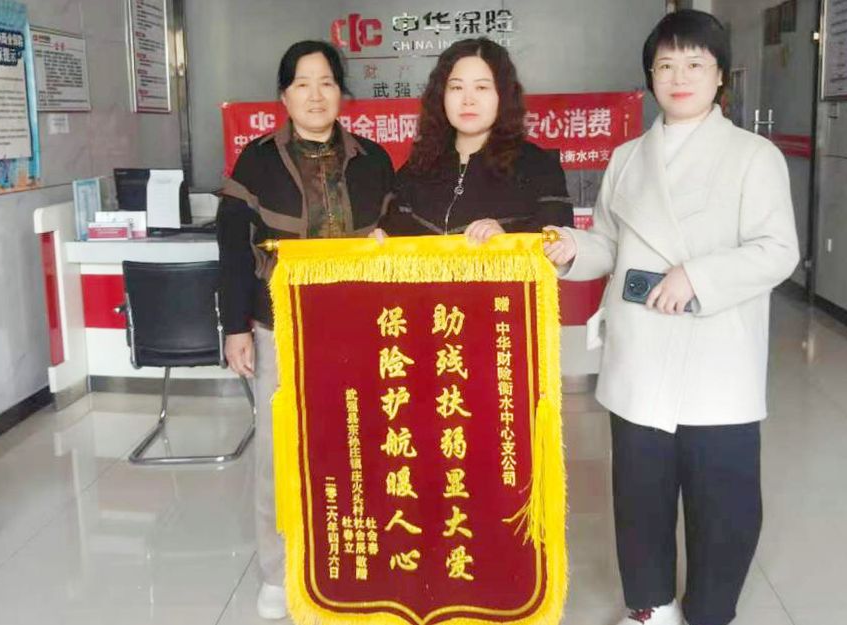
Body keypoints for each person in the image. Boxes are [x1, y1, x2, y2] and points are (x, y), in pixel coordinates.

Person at [542, 10, 800, 625]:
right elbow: (610, 243)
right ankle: (650, 607)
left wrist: (698, 277)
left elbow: (777, 251)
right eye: (665, 65)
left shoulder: (754, 156)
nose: (679, 77)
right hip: (642, 349)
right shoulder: (628, 157)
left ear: (720, 76)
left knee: (723, 503)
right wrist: (573, 250)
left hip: (717, 352)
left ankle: (710, 611)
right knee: (640, 496)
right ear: (650, 77)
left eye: (694, 64)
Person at [216, 40, 394, 620]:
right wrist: (235, 327)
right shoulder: (256, 161)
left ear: (341, 93)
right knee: (279, 451)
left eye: (326, 82)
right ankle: (278, 570)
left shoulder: (373, 160)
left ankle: (356, 555)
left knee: (359, 442)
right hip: (281, 327)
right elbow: (232, 249)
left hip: (360, 326)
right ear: (284, 96)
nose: (315, 95)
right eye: (302, 83)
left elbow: (400, 236)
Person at [376, 37, 572, 241]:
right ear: (441, 96)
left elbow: (558, 243)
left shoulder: (539, 168)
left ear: (503, 95)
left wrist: (509, 241)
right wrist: (381, 241)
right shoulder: (416, 168)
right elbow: (393, 235)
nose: (468, 100)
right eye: (456, 88)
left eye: (481, 88)